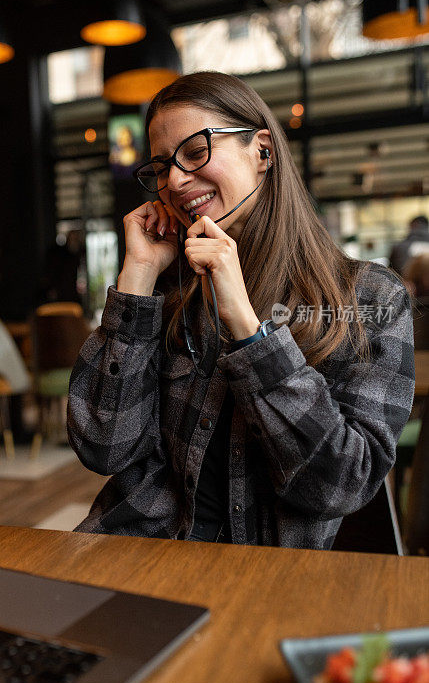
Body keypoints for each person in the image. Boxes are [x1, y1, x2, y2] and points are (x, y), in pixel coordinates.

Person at [67, 72, 415, 549]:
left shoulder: (369, 298)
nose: (174, 180)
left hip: (263, 581)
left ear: (263, 151)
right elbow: (103, 446)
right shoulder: (167, 288)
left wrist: (251, 334)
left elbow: (340, 484)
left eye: (194, 152)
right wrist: (139, 276)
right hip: (137, 554)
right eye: (163, 165)